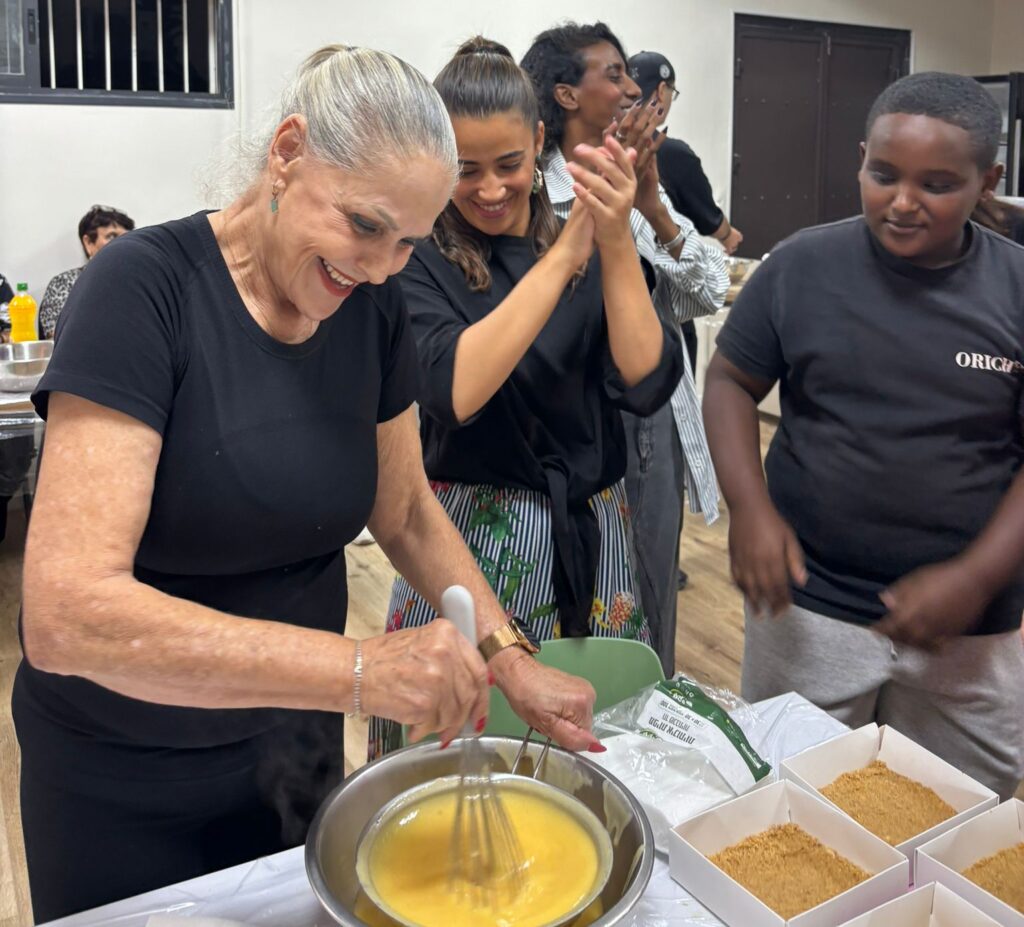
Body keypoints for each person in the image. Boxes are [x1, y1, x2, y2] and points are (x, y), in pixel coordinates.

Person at [14, 45, 596, 921]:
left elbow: (402, 508)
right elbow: (65, 613)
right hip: (129, 775)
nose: (380, 266)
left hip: (299, 751)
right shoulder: (140, 292)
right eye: (365, 225)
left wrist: (505, 655)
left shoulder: (372, 306)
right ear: (289, 152)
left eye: (408, 241)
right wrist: (360, 668)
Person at [703, 71, 1024, 800]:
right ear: (860, 159)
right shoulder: (802, 266)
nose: (903, 202)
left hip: (970, 632)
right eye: (883, 174)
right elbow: (727, 382)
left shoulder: (1016, 287)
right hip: (809, 604)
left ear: (987, 180)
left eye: (938, 184)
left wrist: (975, 577)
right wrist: (749, 509)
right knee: (789, 806)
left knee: (959, 818)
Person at [368, 37, 683, 757]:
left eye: (508, 164)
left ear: (539, 141)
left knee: (588, 756)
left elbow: (645, 378)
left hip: (593, 538)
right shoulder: (413, 264)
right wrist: (568, 252)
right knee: (448, 763)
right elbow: (456, 389)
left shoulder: (584, 235)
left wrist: (611, 241)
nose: (489, 189)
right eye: (464, 170)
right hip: (467, 544)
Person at [522, 22, 728, 678]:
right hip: (572, 422)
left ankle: (650, 715)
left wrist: (654, 211)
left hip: (652, 416)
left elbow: (708, 292)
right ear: (565, 94)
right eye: (612, 74)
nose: (633, 88)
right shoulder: (525, 190)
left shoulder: (643, 180)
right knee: (576, 593)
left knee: (653, 585)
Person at [628, 49, 743, 396]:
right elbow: (712, 221)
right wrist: (729, 236)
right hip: (666, 306)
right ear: (661, 92)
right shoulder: (670, 152)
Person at [37, 205, 135, 339]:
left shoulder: (137, 283)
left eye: (128, 237)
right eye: (111, 236)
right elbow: (58, 336)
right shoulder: (64, 283)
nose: (123, 243)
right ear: (88, 242)